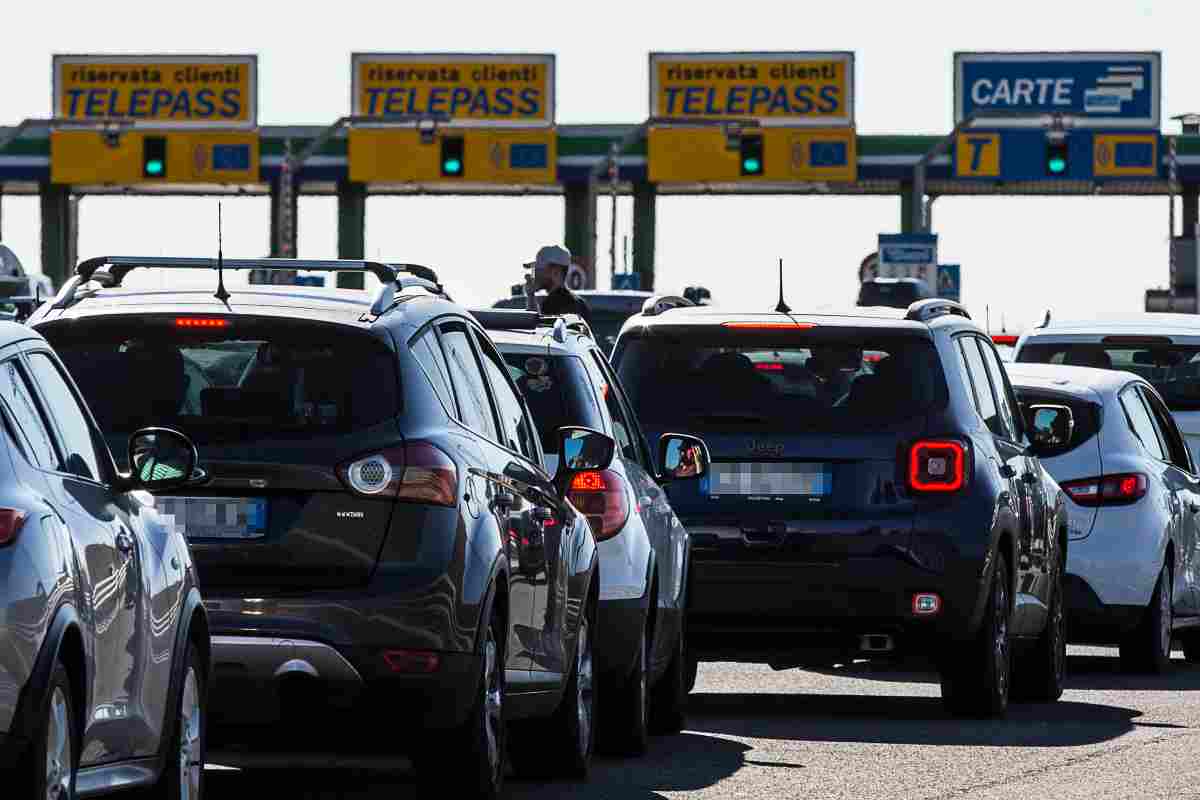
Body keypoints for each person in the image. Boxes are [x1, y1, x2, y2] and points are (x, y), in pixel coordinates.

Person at [524, 244, 592, 327]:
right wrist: (531, 296)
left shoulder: (556, 303)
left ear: (555, 271)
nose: (534, 274)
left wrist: (531, 296)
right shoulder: (579, 303)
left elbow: (539, 331)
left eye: (538, 269)